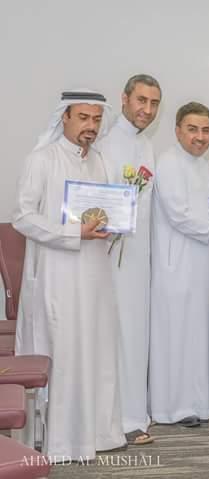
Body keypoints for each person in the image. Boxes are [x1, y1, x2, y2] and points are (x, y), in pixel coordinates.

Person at [13, 89, 125, 459]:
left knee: (95, 347)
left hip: (95, 274)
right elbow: (23, 216)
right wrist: (72, 232)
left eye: (96, 119)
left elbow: (110, 213)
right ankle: (60, 440)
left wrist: (115, 224)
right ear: (65, 117)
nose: (91, 126)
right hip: (56, 274)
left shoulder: (102, 162)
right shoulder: (42, 159)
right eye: (83, 118)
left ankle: (95, 434)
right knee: (61, 348)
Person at [150, 102, 209, 426]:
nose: (200, 137)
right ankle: (174, 407)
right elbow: (179, 216)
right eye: (193, 129)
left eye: (206, 130)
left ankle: (203, 402)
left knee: (201, 332)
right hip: (177, 264)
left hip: (204, 264)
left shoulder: (204, 166)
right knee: (178, 334)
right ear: (177, 130)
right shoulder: (168, 163)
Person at [97, 74, 161, 445]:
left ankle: (135, 412)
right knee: (115, 333)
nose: (147, 110)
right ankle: (116, 417)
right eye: (141, 100)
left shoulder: (146, 145)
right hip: (110, 256)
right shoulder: (105, 143)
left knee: (136, 334)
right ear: (124, 99)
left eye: (154, 103)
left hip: (138, 258)